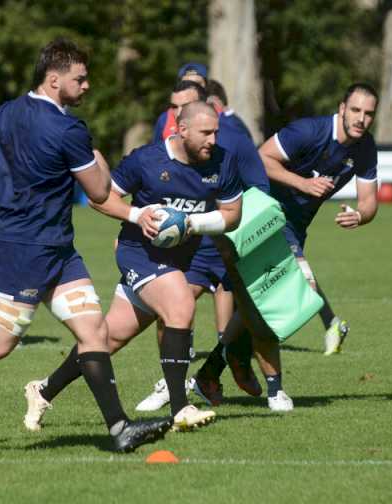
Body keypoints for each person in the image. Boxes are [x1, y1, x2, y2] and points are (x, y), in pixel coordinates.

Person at [0, 38, 172, 452]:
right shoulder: (69, 129)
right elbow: (98, 191)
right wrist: (100, 162)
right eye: (81, 78)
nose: (88, 85)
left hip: (56, 249)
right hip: (24, 252)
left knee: (94, 330)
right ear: (54, 80)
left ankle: (120, 429)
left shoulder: (5, 113)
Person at [22, 101, 241, 433]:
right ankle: (181, 408)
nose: (213, 139)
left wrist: (190, 224)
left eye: (216, 132)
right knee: (181, 305)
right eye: (206, 132)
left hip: (176, 260)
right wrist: (138, 216)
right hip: (138, 252)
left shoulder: (222, 162)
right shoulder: (146, 160)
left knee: (105, 340)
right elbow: (102, 197)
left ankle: (43, 390)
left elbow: (231, 215)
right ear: (182, 130)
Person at [134, 80, 276, 411]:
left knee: (246, 316)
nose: (175, 113)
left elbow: (260, 189)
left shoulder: (235, 141)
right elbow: (155, 184)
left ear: (206, 108)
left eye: (182, 106)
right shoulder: (167, 133)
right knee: (170, 311)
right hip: (188, 247)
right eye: (172, 107)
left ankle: (227, 366)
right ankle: (175, 382)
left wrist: (238, 226)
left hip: (228, 242)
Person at [257, 82, 380, 355]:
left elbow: (370, 201)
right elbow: (262, 158)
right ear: (342, 109)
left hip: (297, 222)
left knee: (275, 283)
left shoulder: (365, 147)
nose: (361, 119)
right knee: (296, 279)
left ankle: (330, 323)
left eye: (369, 113)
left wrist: (360, 215)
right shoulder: (309, 131)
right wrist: (302, 184)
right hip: (264, 210)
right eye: (356, 110)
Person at [152, 63, 209, 141]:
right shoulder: (165, 119)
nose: (193, 88)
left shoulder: (220, 117)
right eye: (186, 84)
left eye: (197, 84)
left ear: (206, 86)